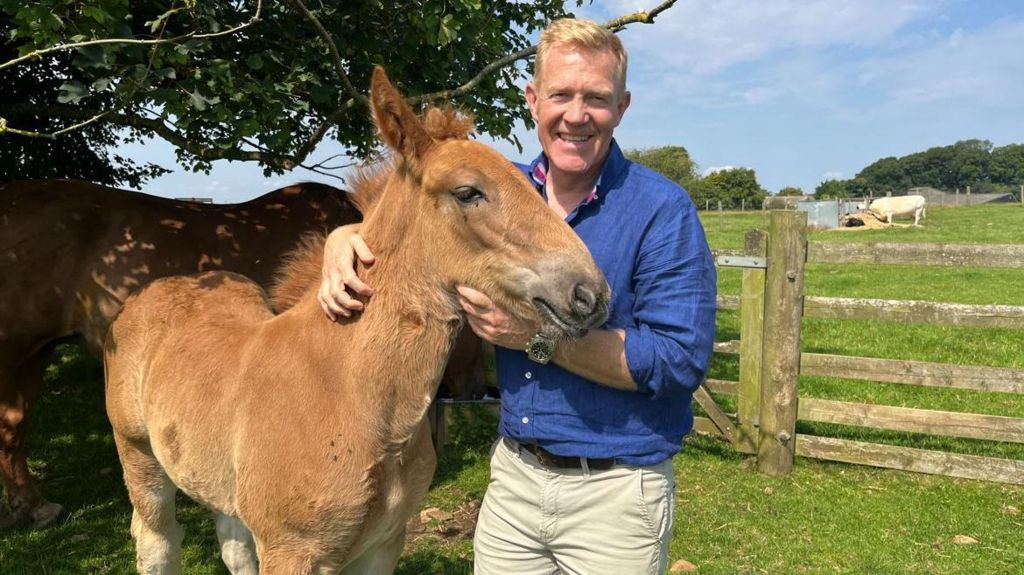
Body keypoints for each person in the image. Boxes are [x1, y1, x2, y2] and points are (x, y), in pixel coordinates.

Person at [319, 18, 717, 575]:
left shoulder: (662, 210)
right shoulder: (496, 189)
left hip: (616, 493)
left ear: (622, 107)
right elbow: (414, 224)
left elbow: (677, 361)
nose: (576, 114)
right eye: (561, 94)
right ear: (533, 100)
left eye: (596, 98)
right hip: (513, 481)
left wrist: (535, 339)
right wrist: (344, 240)